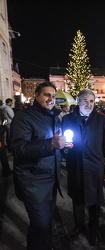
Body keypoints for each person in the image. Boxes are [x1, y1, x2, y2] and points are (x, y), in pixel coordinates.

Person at [10, 82, 66, 250]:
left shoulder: (54, 116)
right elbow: (18, 148)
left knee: (47, 222)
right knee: (40, 225)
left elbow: (54, 144)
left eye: (53, 96)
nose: (51, 99)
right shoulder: (23, 117)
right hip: (33, 181)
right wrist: (51, 144)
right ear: (36, 95)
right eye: (46, 95)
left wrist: (63, 147)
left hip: (51, 179)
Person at [62, 89, 105, 246]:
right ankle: (78, 225)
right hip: (76, 166)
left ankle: (93, 228)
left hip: (94, 168)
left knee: (94, 201)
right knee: (77, 199)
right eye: (85, 100)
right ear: (78, 101)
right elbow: (63, 143)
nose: (89, 104)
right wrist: (65, 149)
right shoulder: (67, 119)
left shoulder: (101, 120)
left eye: (92, 101)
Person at [0, 100, 13, 177]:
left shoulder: (2, 109)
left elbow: (4, 120)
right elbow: (5, 119)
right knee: (2, 152)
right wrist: (3, 127)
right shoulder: (4, 109)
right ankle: (6, 169)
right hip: (0, 131)